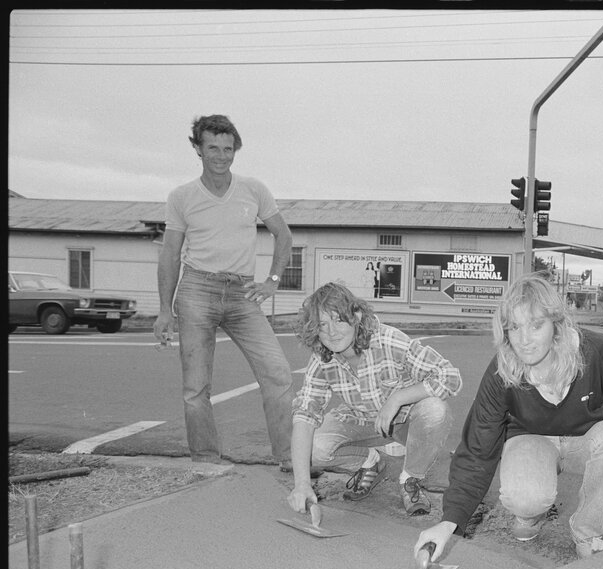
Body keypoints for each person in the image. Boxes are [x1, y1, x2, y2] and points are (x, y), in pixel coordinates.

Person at [415, 272, 603, 559]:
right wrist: (449, 522)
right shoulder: (502, 371)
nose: (524, 340)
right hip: (531, 439)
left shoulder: (591, 350)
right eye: (514, 328)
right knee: (526, 498)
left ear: (556, 325)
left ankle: (587, 532)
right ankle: (530, 517)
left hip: (586, 441)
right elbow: (477, 450)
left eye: (536, 325)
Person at [153, 114, 294, 475]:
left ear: (236, 150)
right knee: (196, 386)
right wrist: (164, 310)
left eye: (228, 148)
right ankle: (205, 460)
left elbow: (284, 235)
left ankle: (290, 457)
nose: (221, 155)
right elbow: (170, 254)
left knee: (278, 373)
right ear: (198, 149)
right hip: (196, 290)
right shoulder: (182, 196)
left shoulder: (254, 190)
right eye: (212, 147)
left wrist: (272, 280)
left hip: (242, 293)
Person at [285, 282, 462, 516]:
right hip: (361, 422)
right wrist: (302, 485)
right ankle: (370, 462)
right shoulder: (321, 359)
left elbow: (449, 376)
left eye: (339, 319)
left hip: (405, 420)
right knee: (313, 449)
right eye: (322, 325)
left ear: (356, 316)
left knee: (435, 410)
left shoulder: (388, 341)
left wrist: (397, 398)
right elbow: (305, 415)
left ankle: (410, 480)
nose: (332, 332)